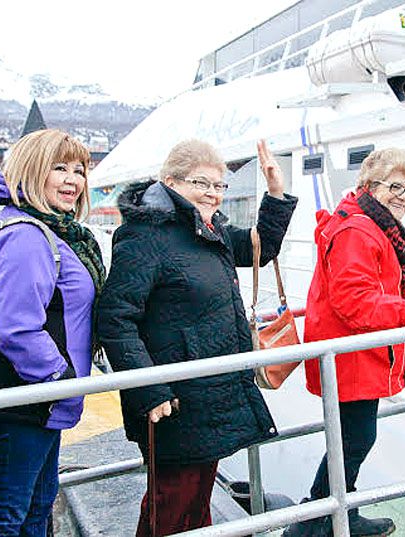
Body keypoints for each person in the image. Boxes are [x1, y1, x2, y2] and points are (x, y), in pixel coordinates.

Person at [97, 139, 297, 536]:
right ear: (168, 181)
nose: (212, 194)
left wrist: (275, 194)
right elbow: (116, 319)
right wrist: (150, 390)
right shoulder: (144, 236)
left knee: (197, 503)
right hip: (174, 398)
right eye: (201, 183)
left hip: (212, 392)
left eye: (219, 186)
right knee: (170, 506)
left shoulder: (210, 228)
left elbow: (260, 248)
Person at [283, 148, 405, 537]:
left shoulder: (365, 223)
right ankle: (317, 523)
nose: (404, 198)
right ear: (368, 186)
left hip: (352, 350)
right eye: (395, 187)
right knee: (356, 437)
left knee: (350, 438)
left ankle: (333, 515)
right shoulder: (358, 230)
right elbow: (354, 298)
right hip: (349, 352)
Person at [0, 129, 105, 536]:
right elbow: (17, 328)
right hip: (21, 402)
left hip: (38, 402)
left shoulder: (45, 230)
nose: (72, 180)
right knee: (6, 519)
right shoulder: (27, 236)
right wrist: (61, 379)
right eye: (59, 167)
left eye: (79, 170)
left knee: (35, 511)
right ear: (30, 171)